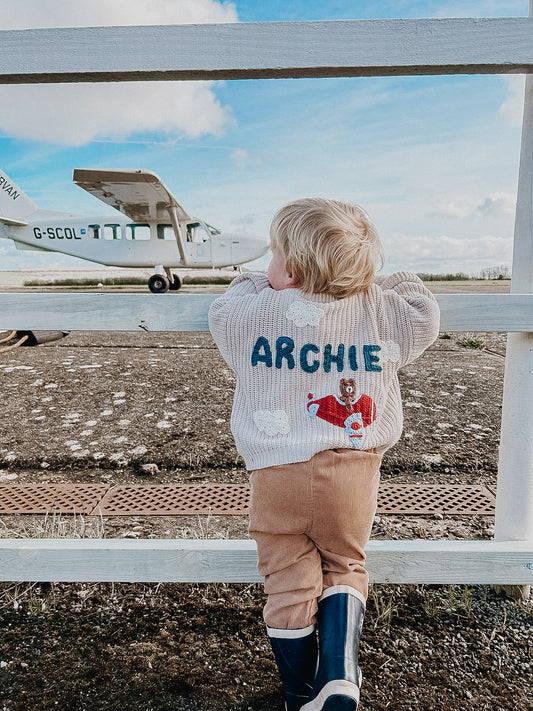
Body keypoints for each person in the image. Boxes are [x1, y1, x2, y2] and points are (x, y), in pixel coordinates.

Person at [208, 198, 440, 711]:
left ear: (288, 267)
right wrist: (370, 283)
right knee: (346, 564)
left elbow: (225, 307)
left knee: (287, 581)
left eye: (272, 255)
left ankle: (297, 695)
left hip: (276, 472)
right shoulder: (378, 309)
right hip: (352, 471)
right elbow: (422, 312)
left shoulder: (255, 312)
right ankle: (338, 674)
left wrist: (256, 282)